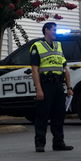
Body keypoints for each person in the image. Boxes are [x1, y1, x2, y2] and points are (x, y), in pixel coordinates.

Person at [31, 22, 74, 152]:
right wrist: (39, 89)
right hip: (46, 85)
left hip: (58, 85)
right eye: (54, 30)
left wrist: (69, 87)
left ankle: (58, 142)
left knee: (58, 115)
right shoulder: (37, 46)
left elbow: (65, 69)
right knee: (42, 115)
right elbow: (34, 70)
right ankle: (39, 143)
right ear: (46, 30)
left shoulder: (58, 45)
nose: (56, 32)